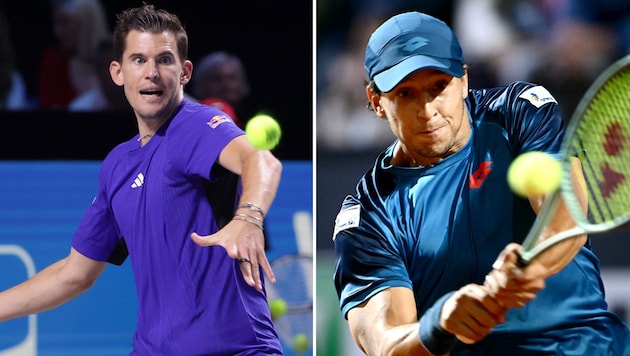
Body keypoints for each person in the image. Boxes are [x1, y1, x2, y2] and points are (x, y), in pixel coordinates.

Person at [332, 11, 630, 355]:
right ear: (376, 102)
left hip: (588, 346)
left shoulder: (518, 112)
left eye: (438, 86)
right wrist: (440, 323)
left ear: (464, 80)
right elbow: (384, 343)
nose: (427, 110)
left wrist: (528, 268)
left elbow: (565, 211)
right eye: (406, 94)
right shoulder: (367, 216)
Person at [0, 4, 283, 355]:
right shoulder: (117, 165)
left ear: (185, 72)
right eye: (139, 60)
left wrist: (248, 217)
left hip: (235, 349)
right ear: (117, 72)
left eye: (164, 60)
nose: (152, 73)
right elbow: (73, 274)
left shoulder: (196, 125)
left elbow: (260, 158)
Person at [37, 0, 109, 110]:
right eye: (56, 22)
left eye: (64, 22)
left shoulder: (112, 63)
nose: (57, 31)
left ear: (86, 22)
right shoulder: (54, 61)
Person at [190, 51, 251, 128]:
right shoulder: (194, 116)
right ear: (202, 84)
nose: (225, 84)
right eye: (217, 79)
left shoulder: (251, 116)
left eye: (231, 78)